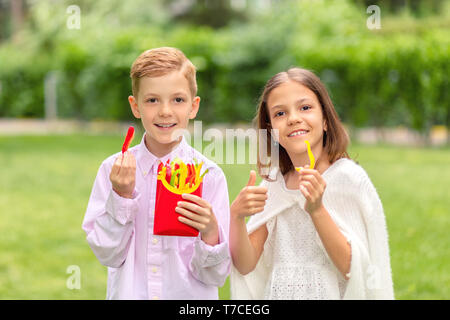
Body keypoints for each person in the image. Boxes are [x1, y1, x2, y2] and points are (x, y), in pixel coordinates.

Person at [229, 67, 394, 299]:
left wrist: (317, 210)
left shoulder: (346, 178)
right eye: (280, 114)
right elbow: (245, 265)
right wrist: (236, 217)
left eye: (305, 108)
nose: (294, 118)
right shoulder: (274, 186)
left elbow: (352, 269)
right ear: (271, 131)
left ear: (325, 120)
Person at [82, 47, 231, 300]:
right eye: (152, 100)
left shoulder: (209, 176)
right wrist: (121, 196)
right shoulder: (113, 171)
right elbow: (107, 254)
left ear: (193, 107)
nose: (164, 111)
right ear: (135, 106)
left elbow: (215, 276)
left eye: (178, 100)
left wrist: (210, 232)